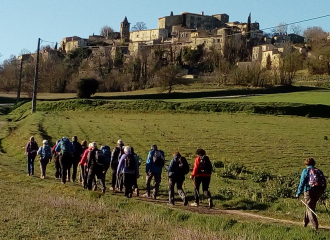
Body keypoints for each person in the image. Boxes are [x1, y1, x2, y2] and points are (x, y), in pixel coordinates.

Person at [296, 157, 326, 230]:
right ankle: (305, 223)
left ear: (306, 164)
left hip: (309, 191)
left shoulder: (306, 171)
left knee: (310, 208)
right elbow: (324, 182)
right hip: (319, 191)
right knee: (310, 207)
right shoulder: (319, 171)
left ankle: (315, 226)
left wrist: (298, 193)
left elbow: (302, 183)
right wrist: (322, 191)